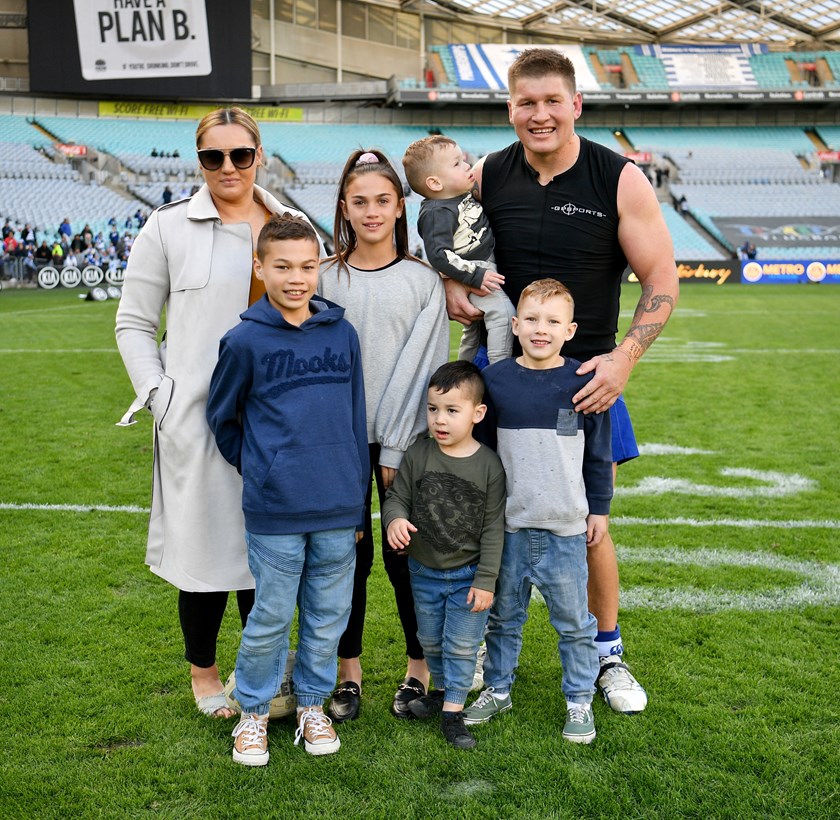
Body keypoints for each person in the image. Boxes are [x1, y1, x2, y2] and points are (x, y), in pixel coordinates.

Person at [444, 48, 679, 714]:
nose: (539, 114)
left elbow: (662, 281)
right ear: (509, 108)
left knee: (585, 522)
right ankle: (489, 646)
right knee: (485, 511)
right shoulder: (488, 176)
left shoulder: (619, 179)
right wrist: (451, 284)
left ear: (576, 104)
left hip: (584, 382)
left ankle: (607, 654)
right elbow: (455, 251)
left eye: (553, 101)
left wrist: (624, 358)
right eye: (526, 103)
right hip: (500, 379)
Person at [115, 107, 321, 720]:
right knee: (202, 555)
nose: (227, 167)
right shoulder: (167, 227)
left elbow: (315, 314)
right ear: (198, 159)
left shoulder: (292, 224)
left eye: (240, 154)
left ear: (260, 154)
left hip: (275, 423)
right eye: (213, 156)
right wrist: (160, 394)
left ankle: (258, 668)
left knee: (268, 555)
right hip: (195, 423)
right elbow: (133, 322)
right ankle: (203, 674)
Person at [206, 214, 368, 764]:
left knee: (327, 613)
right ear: (261, 268)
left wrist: (355, 492)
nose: (296, 277)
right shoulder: (244, 339)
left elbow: (354, 416)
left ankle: (313, 705)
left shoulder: (342, 334)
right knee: (271, 614)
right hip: (276, 506)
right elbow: (224, 419)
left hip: (338, 504)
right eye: (282, 266)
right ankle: (252, 713)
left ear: (319, 267)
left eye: (306, 266)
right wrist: (261, 468)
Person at [318, 149, 450, 723]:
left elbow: (423, 368)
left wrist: (394, 444)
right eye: (359, 201)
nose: (372, 212)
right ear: (344, 208)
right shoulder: (322, 277)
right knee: (347, 557)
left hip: (404, 445)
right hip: (337, 445)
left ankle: (417, 668)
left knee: (406, 557)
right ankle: (349, 673)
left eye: (382, 200)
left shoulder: (423, 282)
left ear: (401, 206)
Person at [463, 279, 611, 744]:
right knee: (503, 618)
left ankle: (579, 697)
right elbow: (481, 453)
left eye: (551, 322)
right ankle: (498, 688)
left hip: (566, 525)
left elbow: (598, 454)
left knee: (573, 622)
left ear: (569, 330)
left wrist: (599, 510)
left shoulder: (583, 380)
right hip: (508, 527)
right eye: (531, 319)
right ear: (514, 325)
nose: (540, 329)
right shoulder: (497, 380)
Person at [382, 361, 505, 749]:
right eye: (433, 409)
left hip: (469, 577)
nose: (440, 419)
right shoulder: (419, 455)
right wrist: (395, 520)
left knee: (462, 645)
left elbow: (493, 528)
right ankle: (439, 694)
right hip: (424, 571)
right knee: (431, 640)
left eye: (452, 410)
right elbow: (397, 496)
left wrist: (486, 581)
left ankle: (453, 712)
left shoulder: (489, 465)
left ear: (477, 413)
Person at [402, 136, 514, 364]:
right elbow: (439, 255)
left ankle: (465, 370)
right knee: (503, 313)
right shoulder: (437, 212)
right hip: (474, 268)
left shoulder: (456, 197)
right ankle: (500, 366)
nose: (466, 166)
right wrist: (475, 275)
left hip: (480, 263)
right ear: (434, 183)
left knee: (472, 332)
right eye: (457, 164)